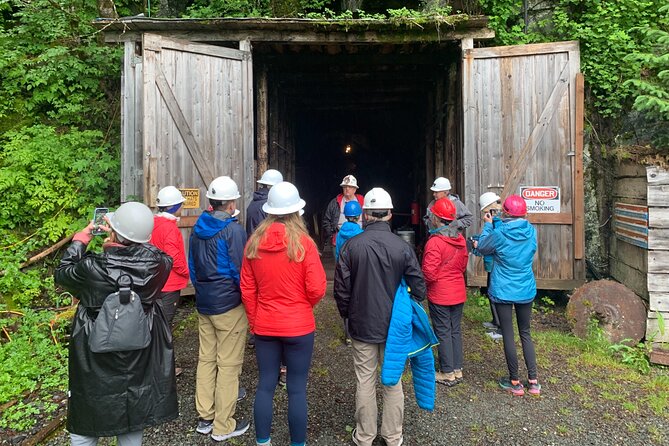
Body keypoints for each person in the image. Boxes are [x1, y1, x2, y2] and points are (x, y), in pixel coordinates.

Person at [55, 202, 177, 446]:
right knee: (134, 411)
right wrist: (136, 235)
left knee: (86, 416)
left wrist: (81, 239)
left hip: (94, 353)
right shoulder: (158, 266)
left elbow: (62, 273)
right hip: (139, 350)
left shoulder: (92, 267)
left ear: (114, 233)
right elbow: (160, 255)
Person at [334, 187, 426, 446]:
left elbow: (341, 290)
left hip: (362, 324)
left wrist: (348, 317)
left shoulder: (351, 246)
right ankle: (392, 436)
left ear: (365, 215)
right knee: (393, 380)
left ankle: (364, 436)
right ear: (389, 214)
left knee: (365, 380)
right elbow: (419, 288)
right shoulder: (402, 247)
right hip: (395, 328)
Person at [240, 181, 327, 446]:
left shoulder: (253, 243)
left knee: (265, 384)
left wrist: (256, 320)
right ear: (296, 211)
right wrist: (303, 308)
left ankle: (263, 441)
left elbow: (246, 288)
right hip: (299, 326)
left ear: (269, 211)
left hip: (265, 326)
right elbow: (317, 288)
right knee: (297, 388)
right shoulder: (304, 244)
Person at [189, 176, 250, 442]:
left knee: (206, 358)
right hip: (228, 304)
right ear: (230, 202)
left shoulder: (197, 227)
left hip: (204, 302)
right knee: (228, 364)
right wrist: (246, 298)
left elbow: (193, 267)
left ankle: (205, 417)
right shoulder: (233, 231)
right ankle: (223, 425)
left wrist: (202, 290)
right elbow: (241, 270)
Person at [475, 194, 540, 397]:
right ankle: (533, 381)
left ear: (504, 212)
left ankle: (514, 381)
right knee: (525, 333)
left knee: (508, 334)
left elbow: (483, 248)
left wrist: (489, 225)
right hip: (526, 288)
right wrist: (497, 223)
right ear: (524, 212)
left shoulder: (499, 233)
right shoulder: (531, 231)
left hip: (503, 288)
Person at [422, 198, 469, 387]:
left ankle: (447, 372)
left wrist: (423, 286)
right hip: (457, 292)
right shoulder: (461, 240)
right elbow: (463, 266)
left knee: (442, 332)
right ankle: (457, 369)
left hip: (441, 294)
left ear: (436, 219)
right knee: (454, 330)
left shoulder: (435, 242)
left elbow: (429, 273)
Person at [245, 168, 283, 352]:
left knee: (257, 293)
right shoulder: (267, 206)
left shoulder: (252, 204)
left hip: (253, 251)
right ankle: (263, 334)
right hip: (265, 253)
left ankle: (256, 334)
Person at [150, 186, 189, 327]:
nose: (183, 207)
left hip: (155, 280)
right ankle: (161, 348)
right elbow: (173, 257)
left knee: (155, 321)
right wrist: (186, 272)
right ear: (174, 207)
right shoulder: (169, 228)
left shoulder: (153, 223)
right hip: (169, 283)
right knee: (164, 325)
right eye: (181, 204)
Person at [471, 192, 503, 341]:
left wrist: (481, 242)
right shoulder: (496, 221)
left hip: (496, 262)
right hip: (492, 261)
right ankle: (496, 321)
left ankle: (501, 328)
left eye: (485, 211)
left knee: (495, 292)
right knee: (491, 290)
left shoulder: (498, 223)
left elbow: (489, 242)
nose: (484, 214)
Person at [335, 200, 364, 347]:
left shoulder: (340, 234)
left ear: (345, 216)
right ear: (359, 215)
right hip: (358, 270)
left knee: (345, 300)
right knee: (359, 300)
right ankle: (358, 332)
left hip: (343, 270)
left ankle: (348, 336)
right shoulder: (361, 233)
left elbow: (337, 253)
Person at [322, 174, 364, 255]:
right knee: (339, 265)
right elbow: (326, 220)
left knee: (358, 266)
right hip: (340, 239)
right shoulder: (335, 202)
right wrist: (332, 235)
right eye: (345, 187)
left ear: (355, 189)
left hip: (359, 239)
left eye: (350, 187)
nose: (347, 189)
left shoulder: (362, 201)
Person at [246, 169, 284, 237]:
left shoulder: (253, 202)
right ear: (273, 187)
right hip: (264, 244)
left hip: (252, 244)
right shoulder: (268, 205)